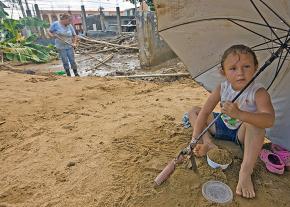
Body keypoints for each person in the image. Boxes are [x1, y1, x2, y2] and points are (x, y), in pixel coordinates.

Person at [187, 45, 275, 198]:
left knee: (257, 125)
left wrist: (240, 114)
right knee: (194, 111)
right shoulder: (222, 88)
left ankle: (246, 171)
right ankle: (207, 142)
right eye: (233, 68)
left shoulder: (259, 92)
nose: (240, 72)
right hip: (221, 125)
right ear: (223, 72)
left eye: (246, 66)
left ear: (256, 68)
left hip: (242, 133)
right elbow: (205, 112)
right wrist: (195, 139)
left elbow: (269, 120)